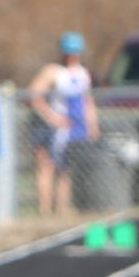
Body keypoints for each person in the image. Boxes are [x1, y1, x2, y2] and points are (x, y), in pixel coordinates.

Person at [26, 31, 99, 216]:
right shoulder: (52, 71)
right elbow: (34, 95)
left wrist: (92, 125)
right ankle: (45, 209)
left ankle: (62, 207)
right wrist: (52, 118)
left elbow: (87, 101)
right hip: (49, 129)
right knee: (46, 166)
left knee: (66, 169)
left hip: (73, 129)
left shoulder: (83, 73)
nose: (71, 57)